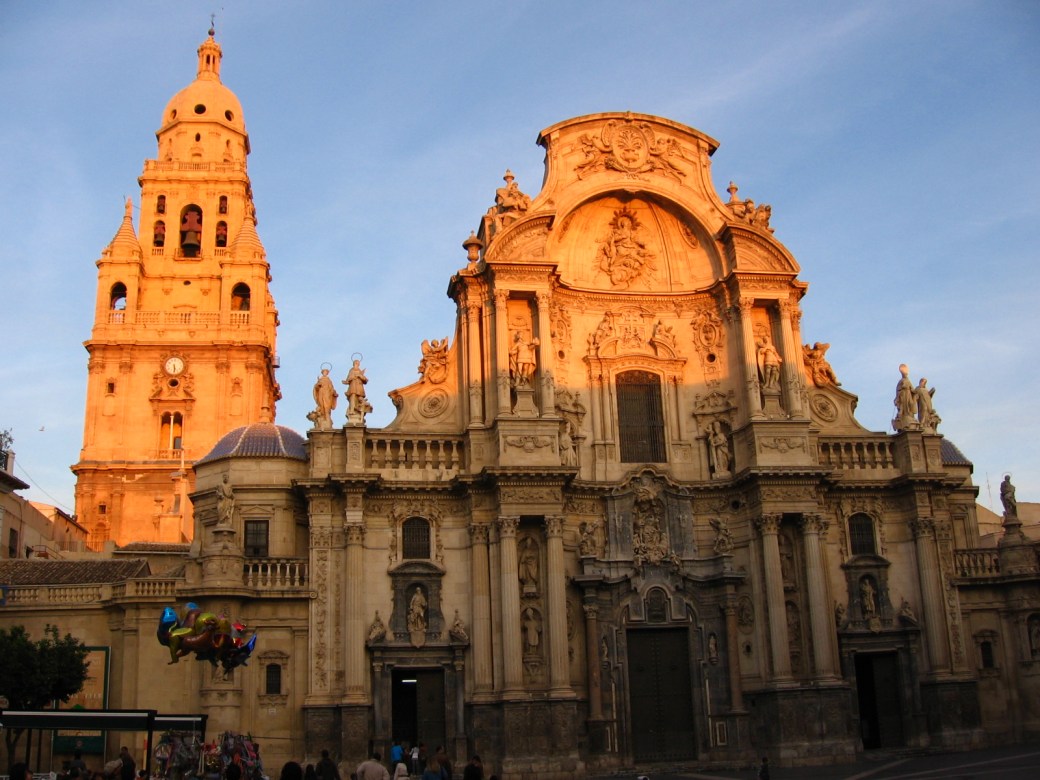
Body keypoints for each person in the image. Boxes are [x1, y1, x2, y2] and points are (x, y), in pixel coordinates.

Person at [893, 363, 916, 429]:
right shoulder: (901, 381)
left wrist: (915, 391)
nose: (906, 375)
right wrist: (901, 389)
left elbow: (912, 389)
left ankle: (908, 415)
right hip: (903, 395)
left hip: (908, 395)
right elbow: (898, 389)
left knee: (910, 404)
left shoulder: (908, 381)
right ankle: (904, 415)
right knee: (904, 406)